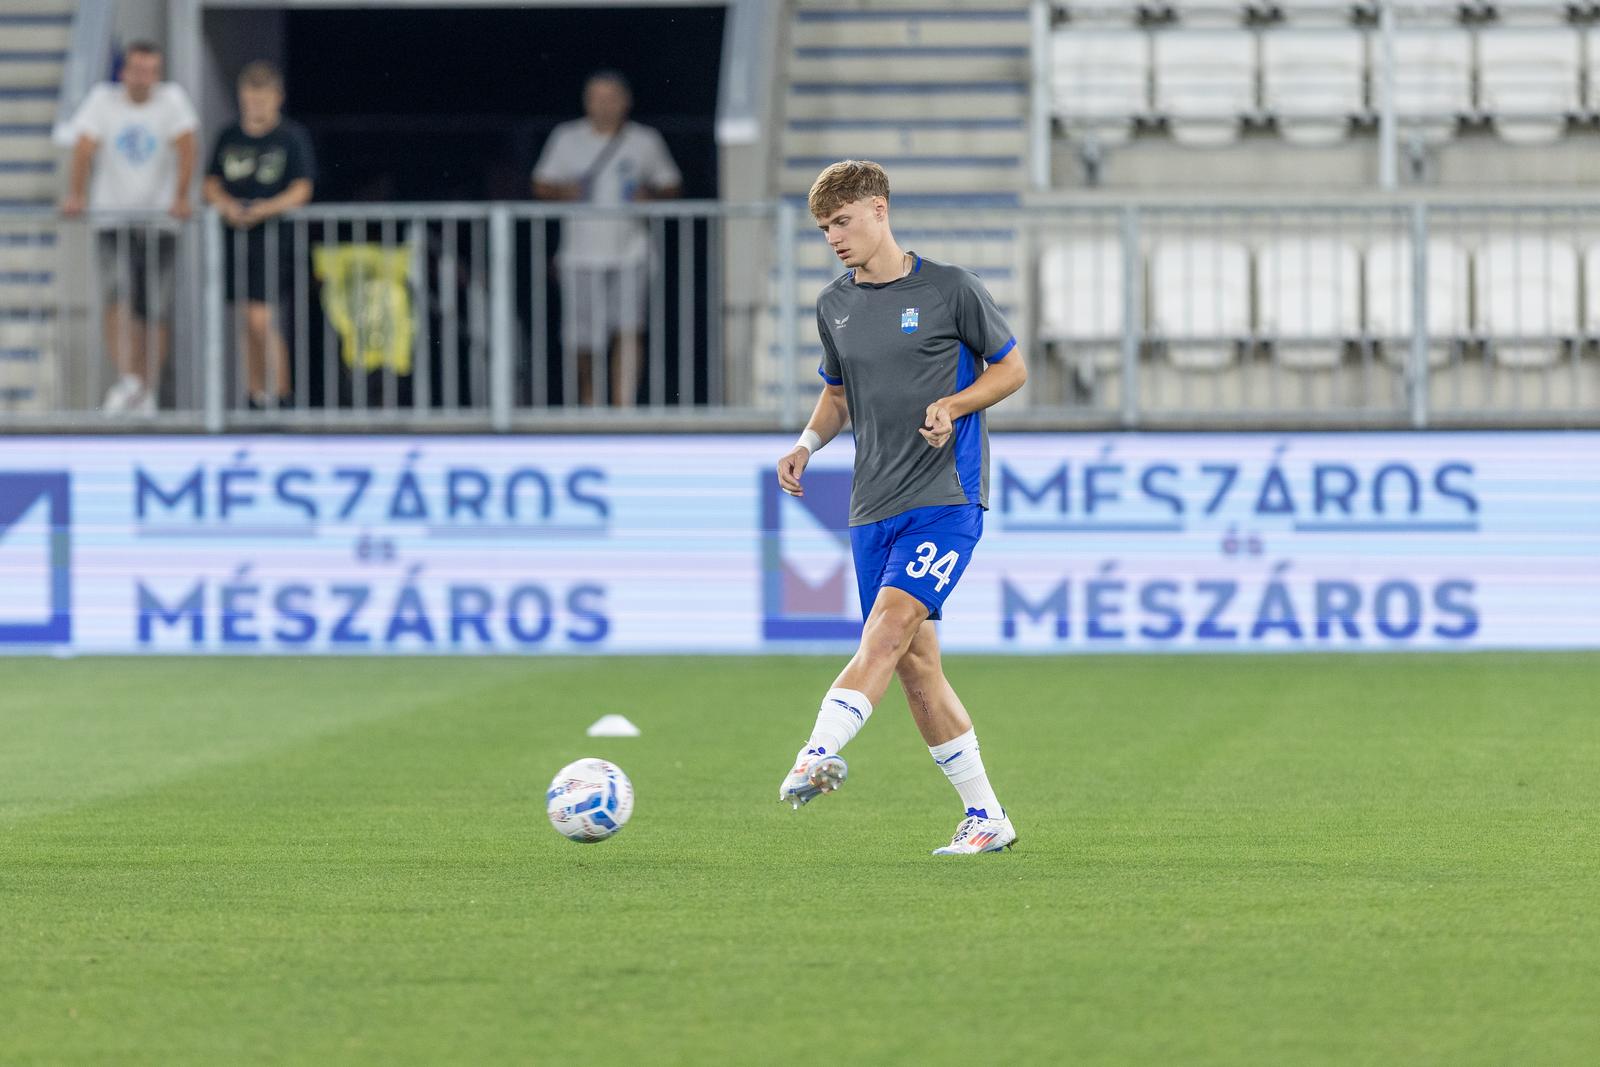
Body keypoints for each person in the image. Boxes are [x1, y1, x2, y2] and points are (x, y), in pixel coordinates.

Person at [775, 160, 1029, 855]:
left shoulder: (950, 290)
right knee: (916, 666)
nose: (833, 237)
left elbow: (1011, 367)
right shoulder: (834, 305)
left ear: (879, 210)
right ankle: (987, 817)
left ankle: (816, 750)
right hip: (871, 504)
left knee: (886, 630)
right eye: (825, 228)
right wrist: (805, 444)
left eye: (843, 221)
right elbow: (837, 393)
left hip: (946, 497)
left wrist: (952, 402)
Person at [62, 41, 197, 414]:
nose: (143, 79)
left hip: (159, 222)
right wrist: (76, 193)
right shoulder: (103, 100)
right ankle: (129, 381)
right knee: (117, 297)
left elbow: (187, 147)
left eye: (150, 71)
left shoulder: (172, 100)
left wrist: (181, 196)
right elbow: (83, 147)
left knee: (155, 307)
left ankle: (147, 388)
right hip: (113, 216)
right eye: (137, 70)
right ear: (124, 72)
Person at [532, 70, 681, 407]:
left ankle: (622, 405)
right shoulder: (567, 137)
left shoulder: (645, 140)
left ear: (625, 101)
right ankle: (589, 401)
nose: (604, 105)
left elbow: (671, 184)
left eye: (611, 98)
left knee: (629, 329)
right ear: (586, 102)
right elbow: (541, 184)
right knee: (582, 338)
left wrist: (651, 197)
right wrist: (563, 192)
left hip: (632, 251)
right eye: (597, 98)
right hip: (579, 253)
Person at [201, 60, 316, 410]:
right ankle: (255, 394)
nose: (256, 104)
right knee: (246, 319)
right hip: (238, 238)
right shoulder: (229, 136)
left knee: (262, 318)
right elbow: (210, 183)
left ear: (277, 98)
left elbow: (302, 189)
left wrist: (263, 209)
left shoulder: (290, 137)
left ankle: (282, 394)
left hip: (274, 239)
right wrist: (228, 206)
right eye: (250, 97)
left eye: (262, 97)